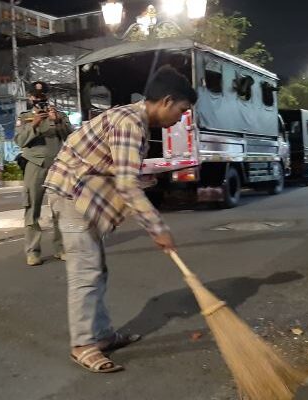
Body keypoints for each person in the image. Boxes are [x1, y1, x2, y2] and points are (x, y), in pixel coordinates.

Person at [44, 66, 197, 373]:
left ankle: (101, 335)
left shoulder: (135, 120)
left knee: (96, 269)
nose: (181, 118)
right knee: (86, 270)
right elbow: (126, 184)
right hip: (71, 195)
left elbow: (120, 172)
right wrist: (157, 228)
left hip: (81, 193)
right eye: (182, 111)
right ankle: (83, 345)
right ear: (167, 101)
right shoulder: (130, 123)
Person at [15, 81, 73, 266]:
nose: (40, 99)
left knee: (60, 209)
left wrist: (56, 121)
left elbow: (71, 137)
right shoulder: (24, 117)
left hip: (57, 165)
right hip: (35, 165)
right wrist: (35, 124)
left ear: (48, 96)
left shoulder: (59, 115)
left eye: (43, 96)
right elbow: (19, 140)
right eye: (36, 96)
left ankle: (61, 248)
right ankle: (33, 251)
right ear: (31, 97)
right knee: (32, 209)